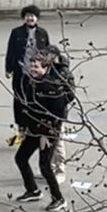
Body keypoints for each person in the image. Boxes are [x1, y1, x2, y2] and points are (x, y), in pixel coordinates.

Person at [14, 53, 73, 212]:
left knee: (45, 165)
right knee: (21, 158)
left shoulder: (51, 87)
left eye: (36, 66)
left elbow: (56, 114)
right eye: (31, 65)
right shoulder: (30, 82)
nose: (33, 69)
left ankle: (59, 199)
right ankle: (32, 190)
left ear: (45, 68)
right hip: (33, 129)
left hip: (47, 131)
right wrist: (23, 127)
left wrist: (46, 135)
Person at [4, 5, 50, 147]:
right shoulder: (16, 32)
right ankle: (21, 130)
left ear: (37, 18)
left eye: (33, 16)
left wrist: (47, 69)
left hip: (37, 74)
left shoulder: (42, 33)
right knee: (19, 101)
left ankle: (35, 129)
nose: (30, 18)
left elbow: (49, 52)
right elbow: (10, 50)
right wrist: (8, 68)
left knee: (35, 100)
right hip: (21, 72)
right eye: (28, 15)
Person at [43, 44, 75, 184]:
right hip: (45, 111)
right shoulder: (47, 69)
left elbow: (70, 94)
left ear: (54, 56)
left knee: (58, 142)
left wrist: (58, 102)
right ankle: (48, 167)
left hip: (57, 112)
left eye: (47, 55)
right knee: (46, 142)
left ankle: (60, 170)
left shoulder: (63, 72)